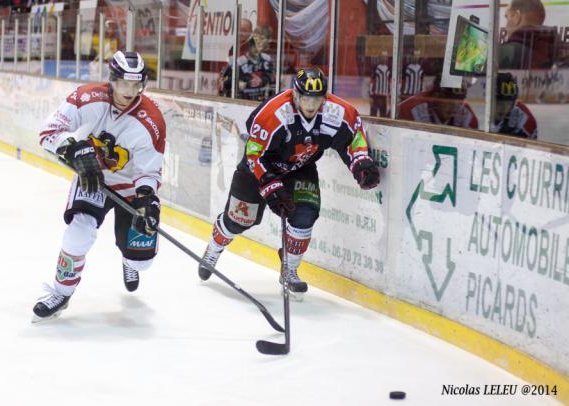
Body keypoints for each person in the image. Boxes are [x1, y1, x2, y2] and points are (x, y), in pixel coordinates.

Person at [198, 67, 380, 298]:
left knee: (304, 215)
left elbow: (353, 138)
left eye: (317, 99)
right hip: (260, 169)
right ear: (295, 95)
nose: (311, 105)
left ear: (325, 97)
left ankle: (290, 270)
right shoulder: (275, 113)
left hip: (299, 168)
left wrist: (361, 162)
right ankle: (213, 249)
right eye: (305, 98)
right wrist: (271, 187)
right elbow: (254, 153)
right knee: (239, 220)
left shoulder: (337, 112)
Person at [32, 51, 166, 322]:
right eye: (124, 83)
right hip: (92, 179)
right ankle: (61, 292)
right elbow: (48, 133)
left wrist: (147, 200)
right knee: (78, 234)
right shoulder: (86, 97)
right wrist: (74, 149)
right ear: (112, 80)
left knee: (142, 261)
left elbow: (148, 171)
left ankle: (129, 261)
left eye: (137, 84)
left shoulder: (152, 121)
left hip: (129, 187)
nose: (130, 91)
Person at [398, 76, 479, 129]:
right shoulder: (410, 110)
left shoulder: (468, 116)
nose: (454, 107)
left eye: (459, 102)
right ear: (435, 96)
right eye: (449, 101)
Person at [499, 0, 561, 70]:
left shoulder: (505, 52)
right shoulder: (553, 50)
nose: (505, 26)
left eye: (507, 17)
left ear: (516, 16)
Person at [219, 26, 275, 101]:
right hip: (240, 103)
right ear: (254, 38)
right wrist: (238, 84)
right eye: (261, 38)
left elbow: (271, 81)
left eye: (268, 39)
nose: (266, 42)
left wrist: (263, 81)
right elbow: (223, 82)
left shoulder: (267, 60)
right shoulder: (238, 60)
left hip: (260, 103)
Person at [492, 72, 538, 139]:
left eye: (508, 103)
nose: (504, 108)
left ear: (514, 103)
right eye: (499, 103)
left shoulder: (525, 121)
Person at [369, 53, 391, 117]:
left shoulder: (388, 69)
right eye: (382, 57)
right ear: (380, 58)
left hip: (384, 96)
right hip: (376, 95)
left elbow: (389, 82)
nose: (384, 59)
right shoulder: (376, 68)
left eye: (385, 57)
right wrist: (371, 95)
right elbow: (372, 82)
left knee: (383, 115)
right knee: (373, 114)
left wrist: (389, 95)